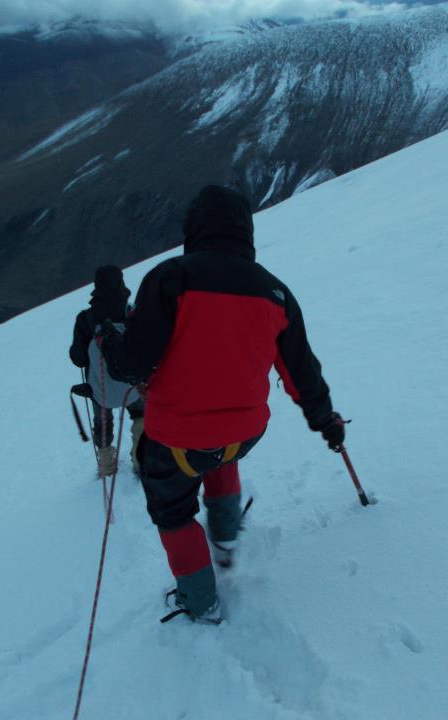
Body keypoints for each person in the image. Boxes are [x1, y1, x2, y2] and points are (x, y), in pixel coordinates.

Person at [99, 185, 345, 624]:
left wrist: (108, 338)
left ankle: (199, 600)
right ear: (245, 233)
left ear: (194, 230)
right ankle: (226, 537)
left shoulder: (170, 278)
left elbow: (133, 366)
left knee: (173, 511)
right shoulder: (276, 293)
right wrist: (325, 420)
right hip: (245, 433)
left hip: (175, 436)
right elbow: (301, 371)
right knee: (219, 452)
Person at [69, 266, 144, 477]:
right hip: (133, 383)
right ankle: (141, 458)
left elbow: (78, 359)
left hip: (100, 388)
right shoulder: (131, 312)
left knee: (102, 421)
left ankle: (106, 464)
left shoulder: (85, 319)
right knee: (141, 415)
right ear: (121, 283)